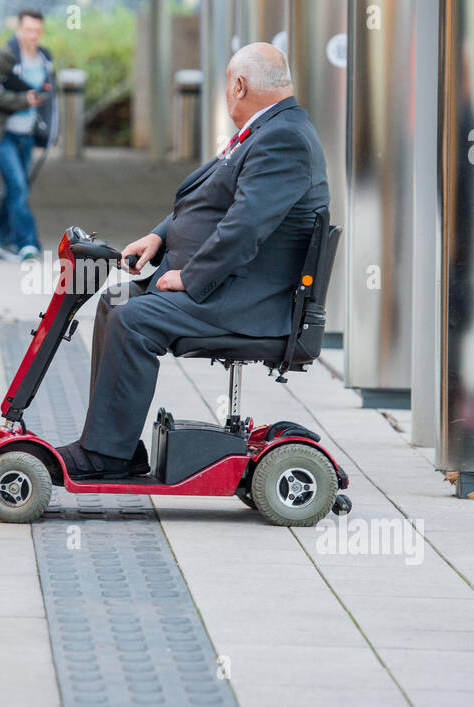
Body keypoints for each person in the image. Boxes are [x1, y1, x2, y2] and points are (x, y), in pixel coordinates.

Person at [57, 43, 330, 480]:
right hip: (232, 284)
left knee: (134, 319)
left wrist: (191, 278)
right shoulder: (271, 129)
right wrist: (159, 236)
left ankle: (106, 456)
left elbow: (244, 227)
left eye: (228, 85)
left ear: (239, 86)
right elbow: (211, 197)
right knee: (117, 303)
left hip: (248, 299)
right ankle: (113, 446)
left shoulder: (284, 139)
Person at [0, 8, 56, 263]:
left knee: (17, 189)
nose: (33, 36)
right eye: (28, 30)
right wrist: (22, 100)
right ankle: (28, 244)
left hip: (27, 134)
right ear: (18, 28)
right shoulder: (4, 55)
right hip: (1, 133)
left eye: (37, 31)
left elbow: (48, 94)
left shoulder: (45, 58)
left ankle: (1, 240)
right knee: (19, 186)